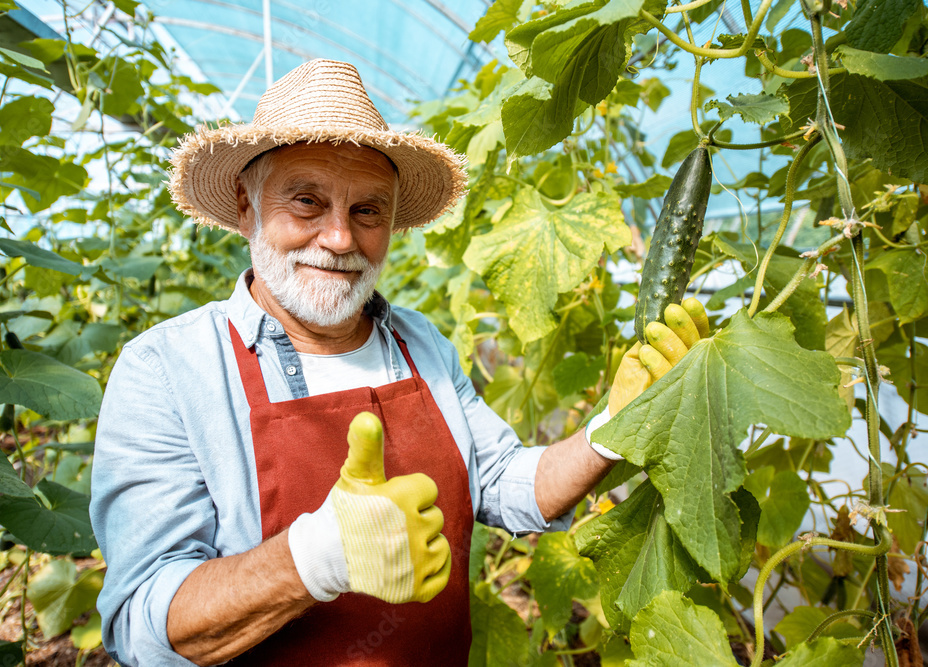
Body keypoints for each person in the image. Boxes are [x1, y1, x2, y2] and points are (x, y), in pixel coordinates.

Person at [89, 59, 704, 666]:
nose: (339, 239)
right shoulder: (167, 370)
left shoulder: (420, 343)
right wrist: (315, 558)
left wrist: (613, 430)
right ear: (246, 210)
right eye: (306, 201)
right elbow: (143, 625)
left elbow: (500, 481)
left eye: (367, 210)